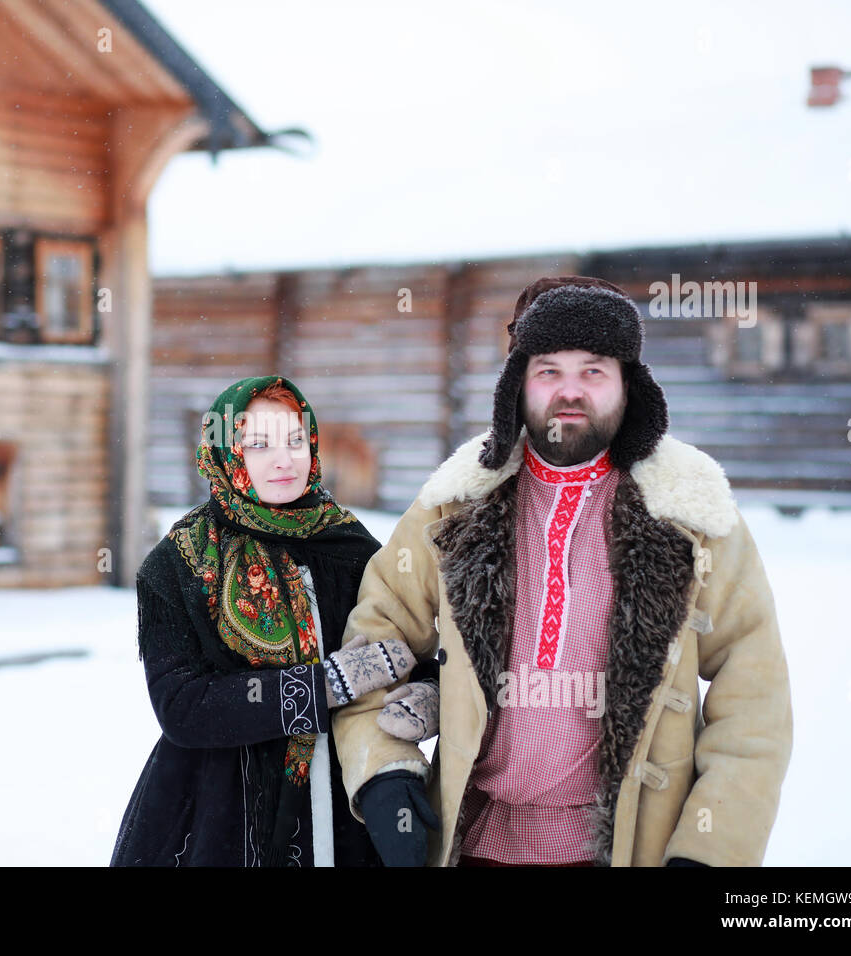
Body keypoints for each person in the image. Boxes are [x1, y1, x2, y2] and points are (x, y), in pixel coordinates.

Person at [332, 276, 793, 867]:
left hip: (629, 849)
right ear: (518, 385)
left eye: (593, 371)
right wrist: (385, 776)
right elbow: (376, 644)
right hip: (471, 843)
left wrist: (709, 850)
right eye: (549, 370)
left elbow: (756, 702)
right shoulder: (454, 505)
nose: (569, 392)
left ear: (629, 384)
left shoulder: (689, 514)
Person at [110, 374, 433, 866]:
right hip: (220, 810)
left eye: (296, 440)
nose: (284, 460)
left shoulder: (350, 545)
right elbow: (182, 706)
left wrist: (428, 690)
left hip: (344, 803)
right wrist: (321, 687)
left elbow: (401, 640)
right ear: (226, 453)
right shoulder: (180, 562)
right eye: (258, 445)